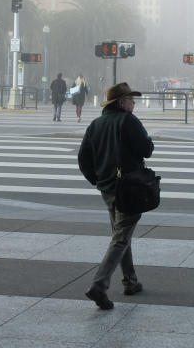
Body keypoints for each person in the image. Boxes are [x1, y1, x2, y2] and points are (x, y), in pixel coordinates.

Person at [77, 82, 153, 310]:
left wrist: (98, 180)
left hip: (108, 189)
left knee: (121, 233)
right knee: (121, 237)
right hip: (129, 188)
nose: (134, 103)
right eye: (131, 99)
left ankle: (130, 281)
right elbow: (146, 150)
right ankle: (99, 285)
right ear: (121, 103)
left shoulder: (96, 124)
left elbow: (84, 158)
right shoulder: (128, 120)